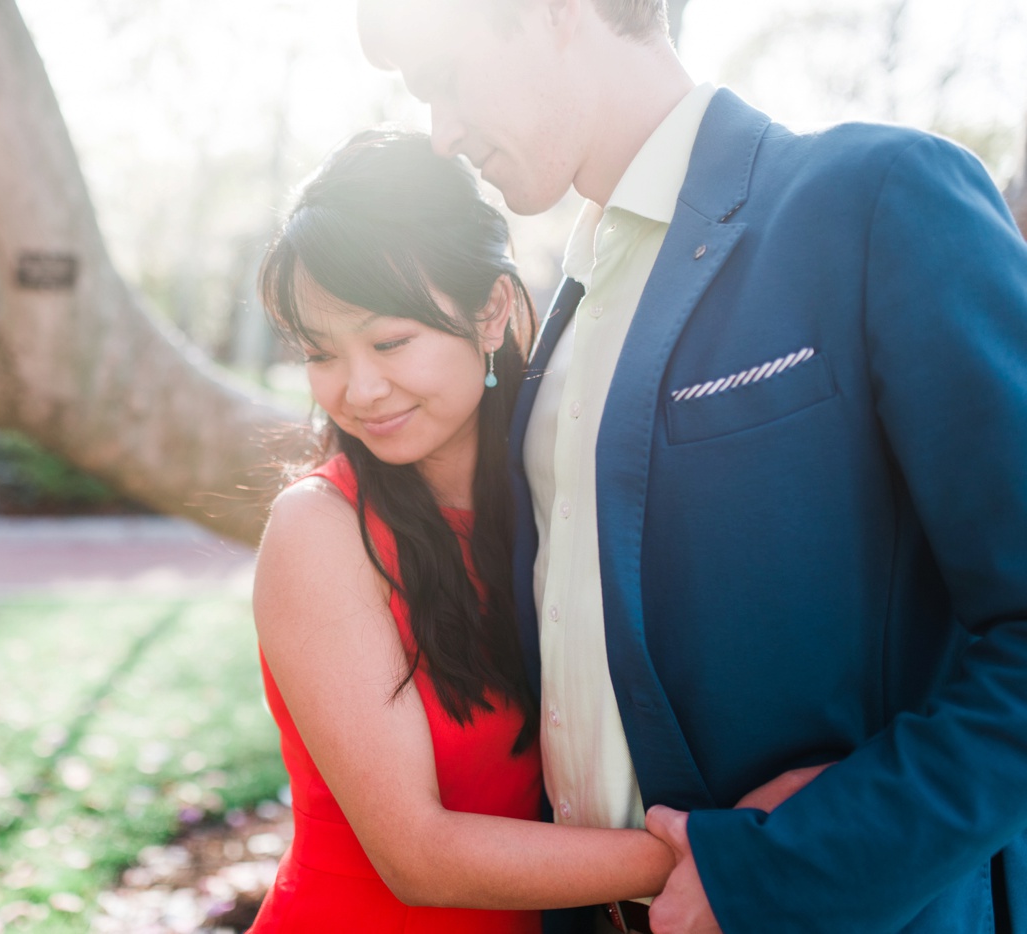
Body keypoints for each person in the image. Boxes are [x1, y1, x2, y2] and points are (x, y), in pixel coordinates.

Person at [356, 1, 1027, 933]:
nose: (441, 134)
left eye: (446, 80)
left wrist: (810, 854)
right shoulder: (568, 307)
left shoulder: (875, 198)